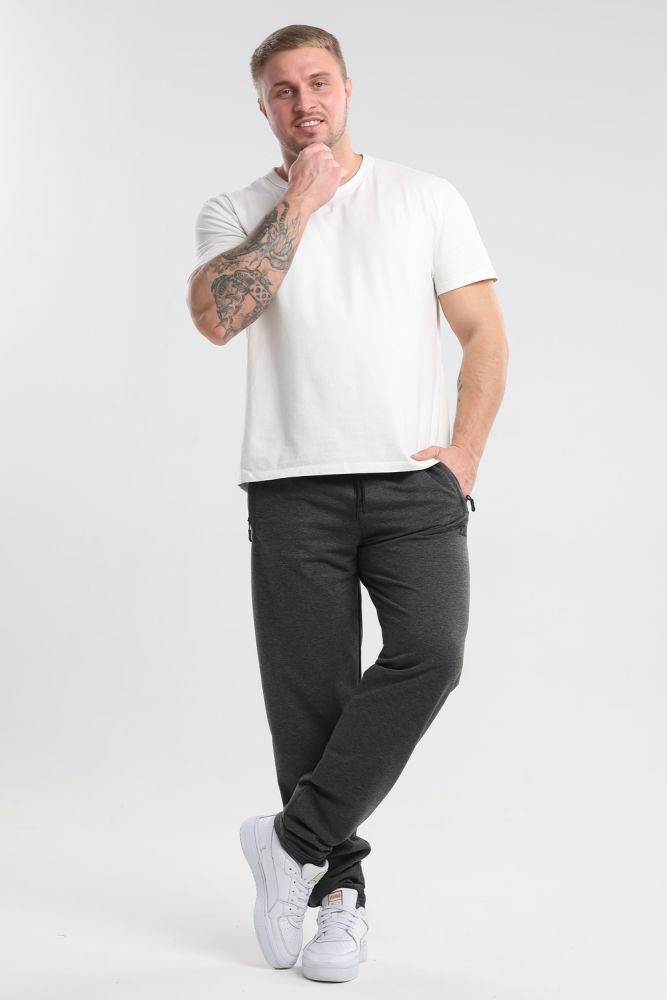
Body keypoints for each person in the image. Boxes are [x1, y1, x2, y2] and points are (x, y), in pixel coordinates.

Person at [186, 23, 508, 983]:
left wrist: (465, 454)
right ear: (262, 107)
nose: (305, 103)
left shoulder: (424, 196)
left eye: (318, 83)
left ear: (348, 88)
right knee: (312, 704)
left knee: (431, 655)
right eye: (283, 91)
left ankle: (288, 842)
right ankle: (337, 899)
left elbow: (483, 333)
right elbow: (218, 318)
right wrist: (300, 201)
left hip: (413, 482)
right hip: (292, 486)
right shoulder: (234, 209)